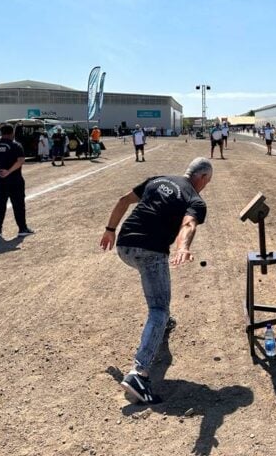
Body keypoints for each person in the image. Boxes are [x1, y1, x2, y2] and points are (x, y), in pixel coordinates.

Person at [99, 157, 213, 404]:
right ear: (202, 178)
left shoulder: (158, 179)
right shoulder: (195, 199)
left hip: (125, 245)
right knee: (158, 308)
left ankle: (163, 325)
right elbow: (189, 223)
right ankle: (138, 374)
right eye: (208, 181)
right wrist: (183, 247)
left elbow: (123, 200)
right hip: (150, 250)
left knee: (158, 293)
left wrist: (110, 229)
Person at [0, 124, 34, 239]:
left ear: (2, 133)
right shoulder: (15, 145)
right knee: (18, 204)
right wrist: (9, 171)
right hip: (15, 179)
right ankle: (22, 228)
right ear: (12, 133)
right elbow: (20, 160)